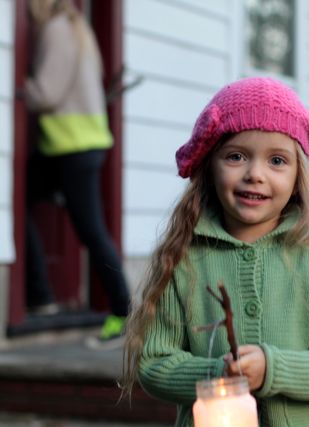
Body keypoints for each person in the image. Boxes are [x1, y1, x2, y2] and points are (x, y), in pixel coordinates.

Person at [122, 77, 309, 427]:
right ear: (210, 165)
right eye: (236, 156)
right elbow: (154, 363)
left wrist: (273, 368)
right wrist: (219, 371)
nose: (255, 174)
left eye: (277, 161)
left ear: (300, 174)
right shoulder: (184, 259)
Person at [23, 0, 130, 345]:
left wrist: (19, 86)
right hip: (80, 146)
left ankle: (123, 314)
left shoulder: (55, 30)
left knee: (91, 232)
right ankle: (41, 296)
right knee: (19, 205)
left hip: (70, 147)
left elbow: (46, 93)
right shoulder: (79, 28)